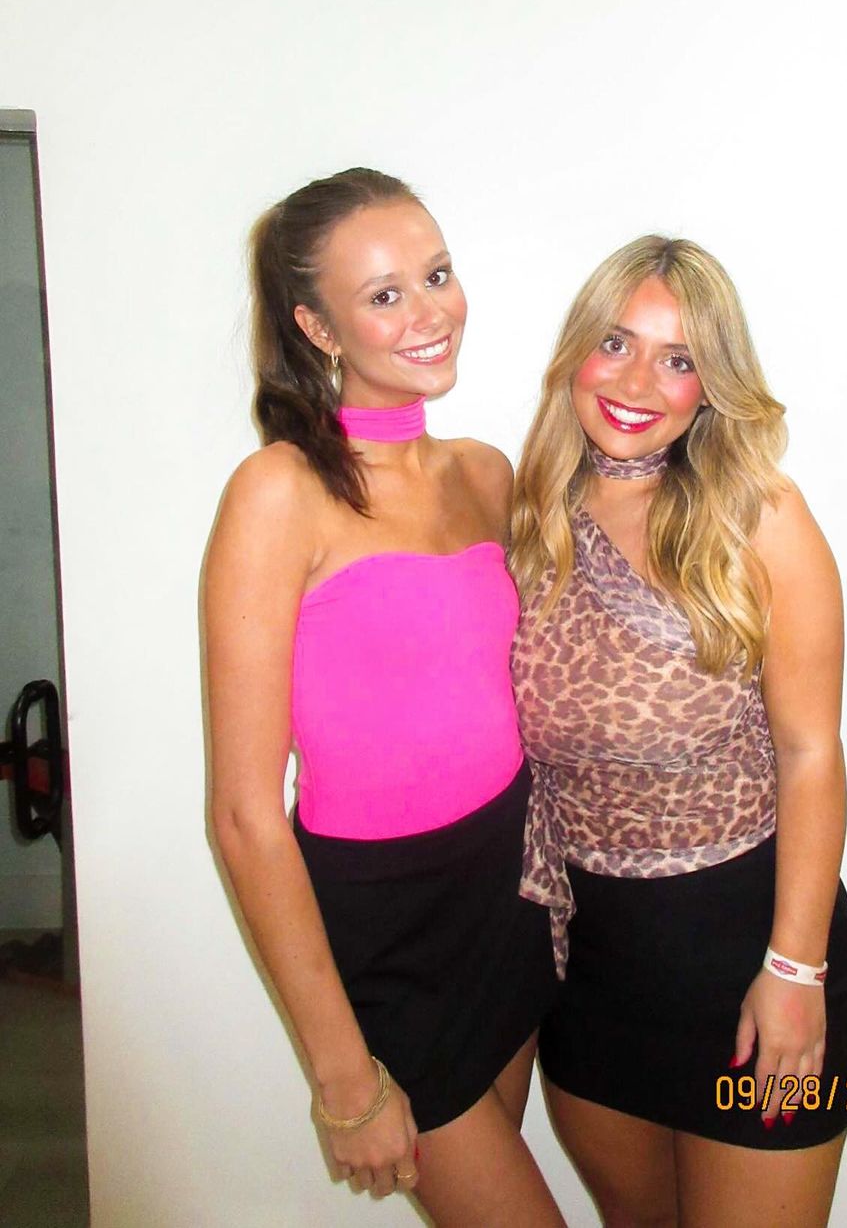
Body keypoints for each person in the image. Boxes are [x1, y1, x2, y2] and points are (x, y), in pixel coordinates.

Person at [204, 167, 562, 1225]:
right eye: (385, 294)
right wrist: (342, 1077)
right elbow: (243, 814)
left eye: (436, 275)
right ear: (318, 326)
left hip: (510, 894)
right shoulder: (278, 493)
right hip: (386, 928)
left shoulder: (487, 473)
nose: (430, 311)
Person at [510, 236, 847, 1227]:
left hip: (752, 962)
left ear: (712, 384)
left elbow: (811, 753)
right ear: (577, 349)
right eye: (615, 342)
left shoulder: (759, 517)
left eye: (677, 358)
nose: (636, 383)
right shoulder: (532, 516)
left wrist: (795, 971)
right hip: (591, 977)